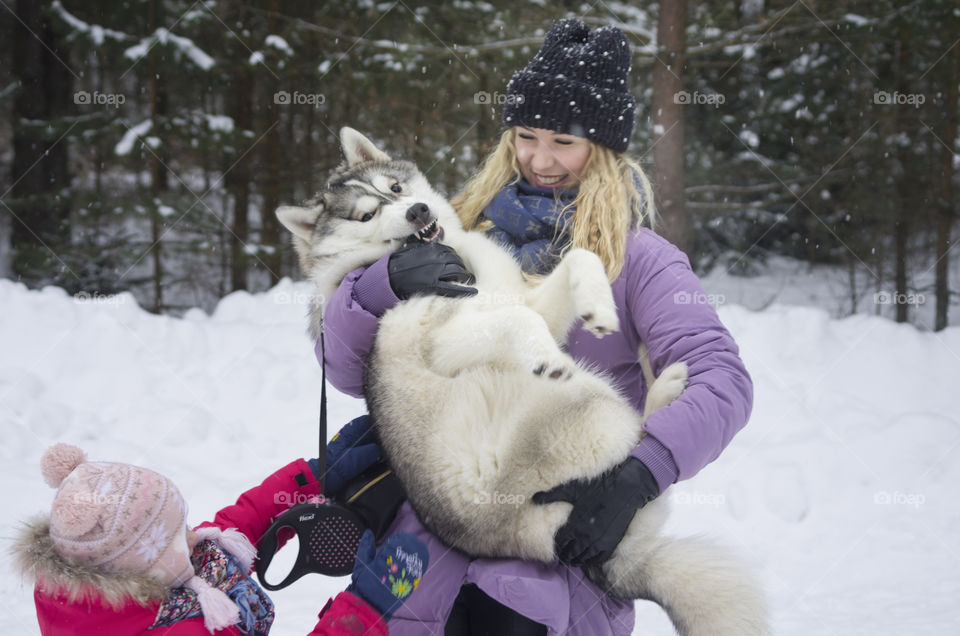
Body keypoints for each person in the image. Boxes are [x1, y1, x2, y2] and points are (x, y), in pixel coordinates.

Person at [319, 17, 753, 635]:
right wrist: (378, 285)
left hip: (564, 527)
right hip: (433, 522)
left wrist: (641, 472)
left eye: (564, 143)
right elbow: (343, 371)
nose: (540, 160)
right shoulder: (460, 228)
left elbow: (722, 379)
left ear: (601, 149)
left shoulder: (640, 260)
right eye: (526, 136)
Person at [15, 442, 429, 635]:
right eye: (178, 537)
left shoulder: (120, 597)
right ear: (143, 567)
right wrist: (365, 609)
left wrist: (315, 473)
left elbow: (236, 527)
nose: (196, 536)